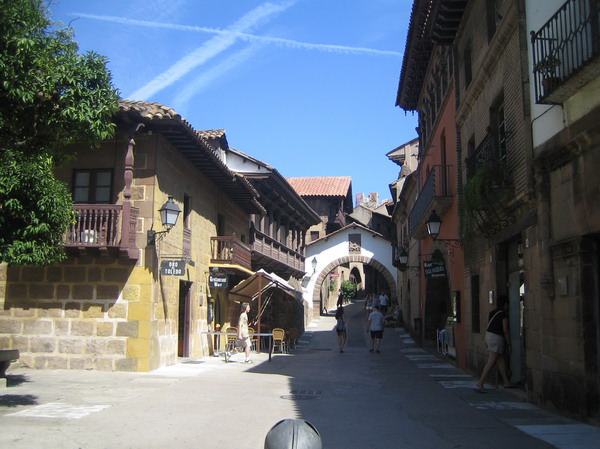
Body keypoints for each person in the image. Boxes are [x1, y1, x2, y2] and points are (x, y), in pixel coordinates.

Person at [476, 296, 514, 392]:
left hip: (489, 336)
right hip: (497, 337)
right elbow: (505, 329)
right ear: (506, 304)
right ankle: (481, 382)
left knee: (500, 359)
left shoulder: (492, 312)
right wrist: (509, 343)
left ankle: (506, 382)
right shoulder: (503, 314)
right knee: (492, 360)